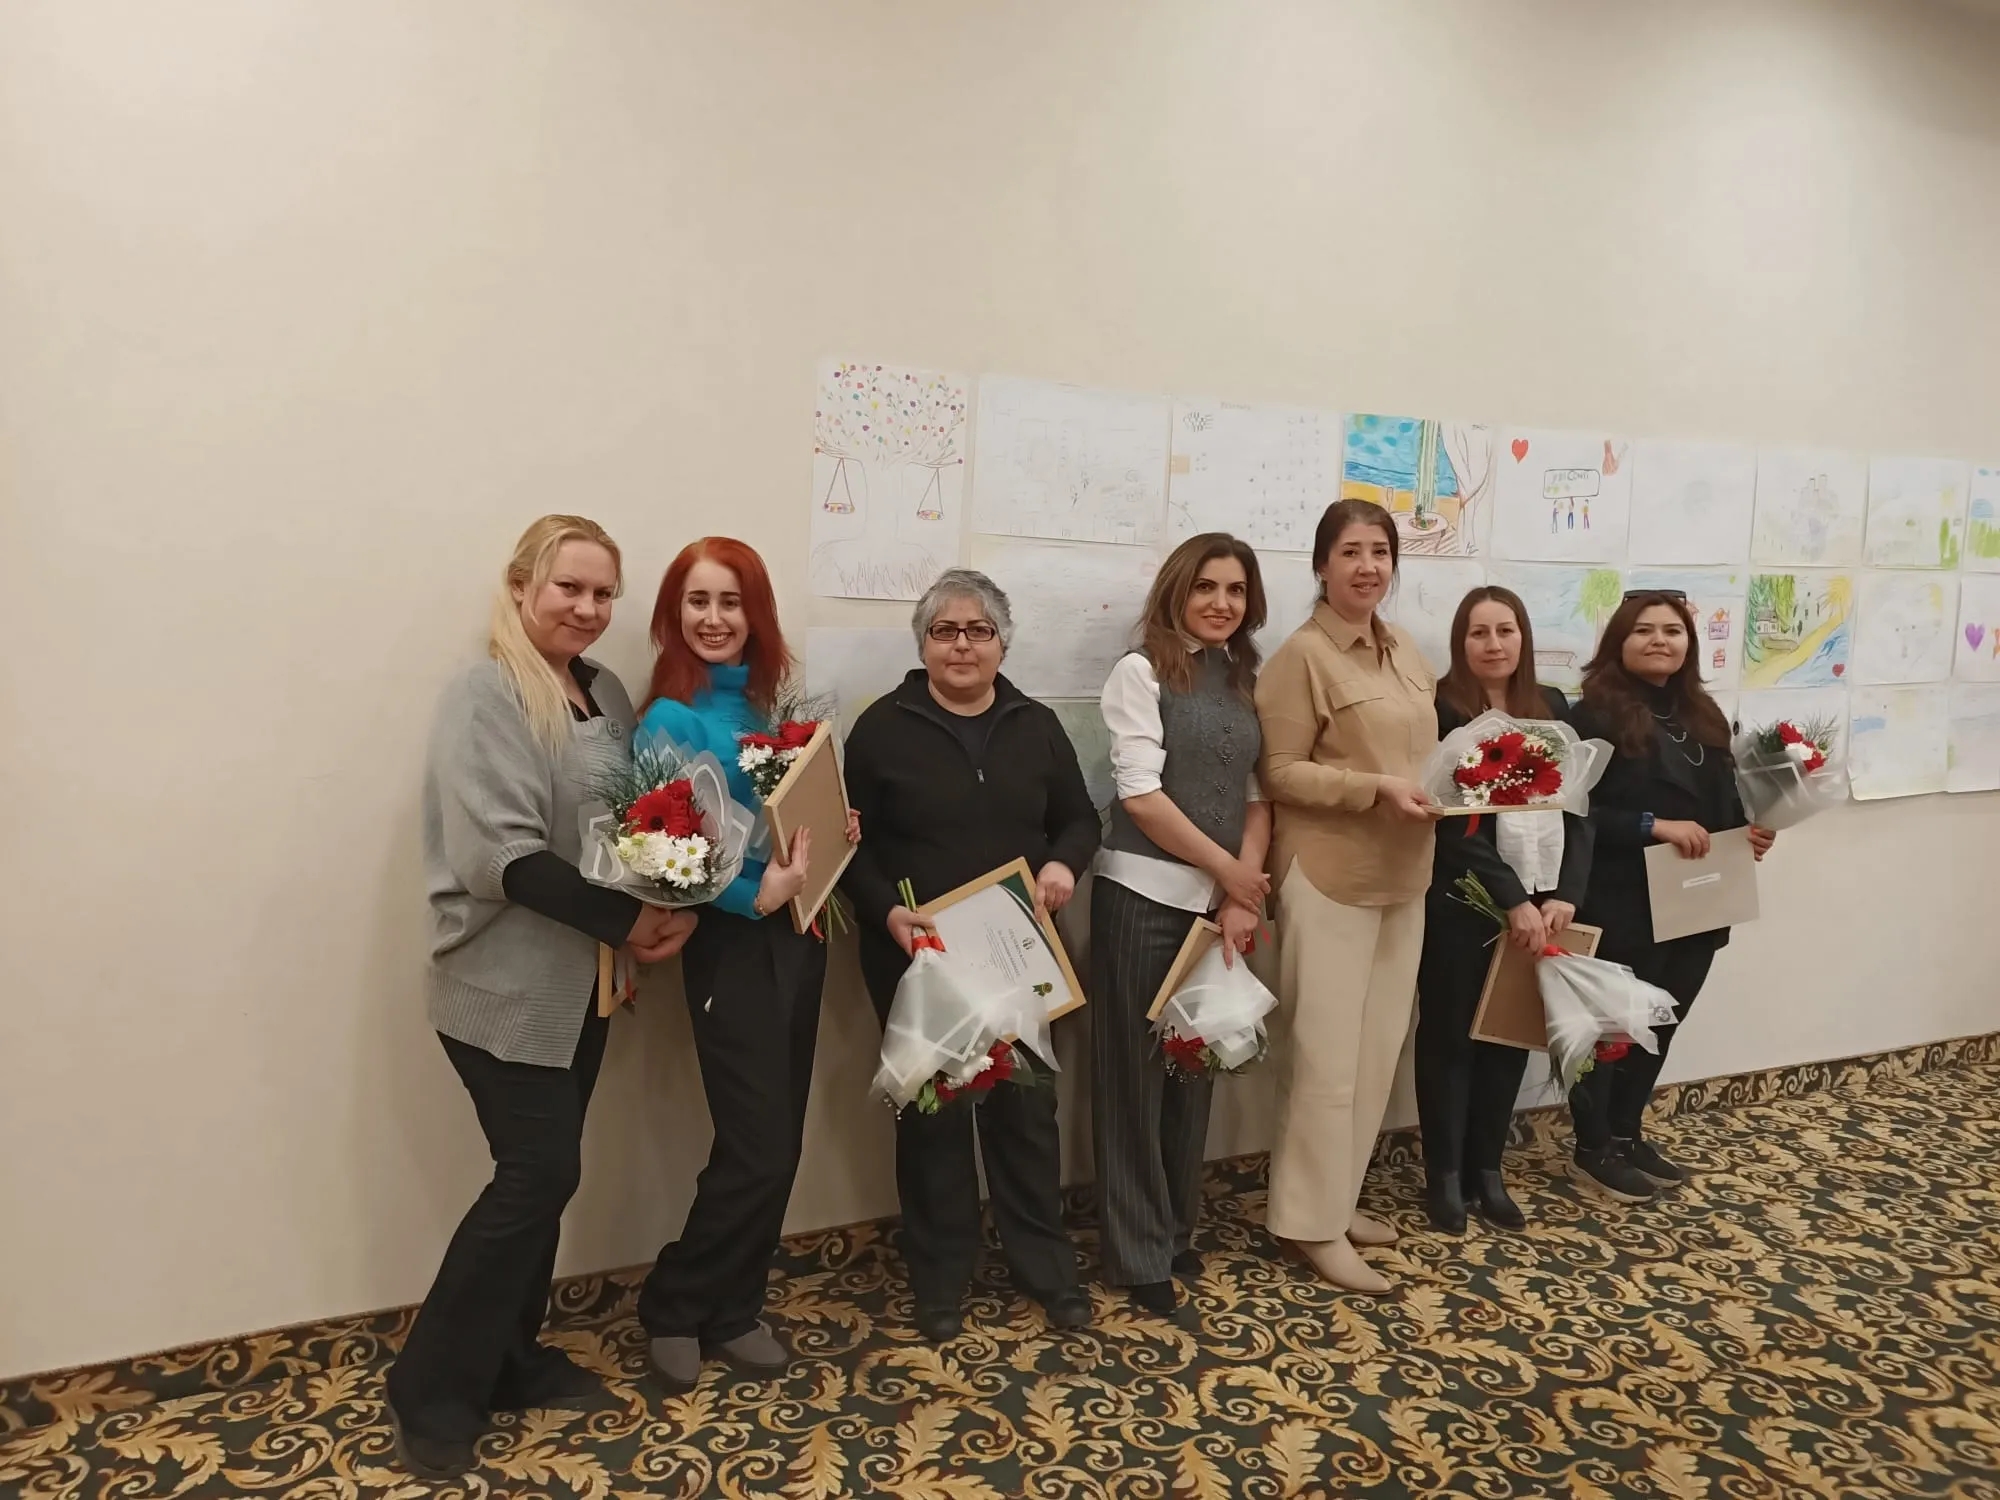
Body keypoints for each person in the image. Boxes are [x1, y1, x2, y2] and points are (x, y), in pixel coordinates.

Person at [387, 516, 697, 1480]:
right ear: (521, 586)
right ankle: (429, 1391)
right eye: (569, 587)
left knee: (545, 1181)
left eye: (604, 593)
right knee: (536, 1176)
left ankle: (509, 1359)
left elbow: (623, 827)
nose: (588, 608)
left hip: (580, 987)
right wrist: (630, 922)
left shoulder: (604, 690)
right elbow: (504, 857)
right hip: (504, 985)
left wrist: (666, 899)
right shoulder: (485, 696)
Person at [841, 568, 1100, 1343]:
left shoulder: (1036, 724)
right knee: (935, 1124)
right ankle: (940, 1278)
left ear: (1003, 643)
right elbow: (851, 850)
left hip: (1018, 956)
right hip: (921, 959)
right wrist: (887, 911)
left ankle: (1046, 1270)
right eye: (945, 631)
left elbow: (1080, 820)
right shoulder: (880, 729)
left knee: (1027, 1117)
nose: (962, 645)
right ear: (922, 643)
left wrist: (1063, 867)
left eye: (979, 630)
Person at [631, 537, 857, 1392]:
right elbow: (658, 850)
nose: (714, 618)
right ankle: (675, 1303)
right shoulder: (670, 718)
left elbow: (782, 822)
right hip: (734, 943)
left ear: (755, 613)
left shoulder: (769, 708)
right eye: (698, 601)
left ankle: (735, 1307)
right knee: (755, 1145)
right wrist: (751, 896)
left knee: (781, 1139)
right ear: (674, 613)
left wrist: (834, 828)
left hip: (799, 932)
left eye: (731, 601)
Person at [1255, 499, 1440, 1295]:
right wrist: (1374, 789)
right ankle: (1305, 1225)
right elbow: (1278, 771)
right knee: (1325, 1063)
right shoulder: (1301, 656)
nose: (1368, 566)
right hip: (1329, 876)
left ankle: (1337, 1199)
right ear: (1321, 565)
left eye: (1381, 552)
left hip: (1404, 877)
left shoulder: (1404, 650)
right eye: (1351, 552)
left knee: (1374, 1059)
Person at [1091, 533, 1271, 1316]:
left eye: (1235, 590)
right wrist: (1229, 872)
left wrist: (1241, 895)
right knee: (1132, 1082)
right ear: (1176, 590)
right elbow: (1140, 797)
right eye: (1206, 587)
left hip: (1216, 908)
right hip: (1143, 896)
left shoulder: (1245, 678)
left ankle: (1174, 1230)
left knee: (1193, 1070)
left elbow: (1259, 798)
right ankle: (1137, 1255)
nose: (1220, 603)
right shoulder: (1139, 672)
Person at [1566, 591, 1775, 1202]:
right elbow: (1574, 812)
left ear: (1689, 643)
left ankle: (1626, 1132)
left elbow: (1723, 800)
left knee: (1662, 1022)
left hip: (1697, 898)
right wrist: (1652, 825)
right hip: (1621, 897)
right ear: (1619, 642)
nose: (1660, 640)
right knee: (1610, 1029)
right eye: (1644, 631)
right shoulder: (1591, 715)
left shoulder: (1704, 714)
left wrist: (1749, 831)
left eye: (1673, 631)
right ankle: (1592, 1146)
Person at [1414, 586, 1594, 1235]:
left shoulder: (1552, 707)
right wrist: (1510, 897)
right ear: (1460, 642)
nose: (1493, 644)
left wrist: (1564, 893)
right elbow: (1451, 820)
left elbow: (1579, 809)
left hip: (1543, 906)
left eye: (1505, 631)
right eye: (1479, 633)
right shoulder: (1440, 707)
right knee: (1450, 1039)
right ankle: (1444, 1176)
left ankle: (1487, 1171)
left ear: (1523, 638)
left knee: (1509, 1036)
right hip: (1463, 904)